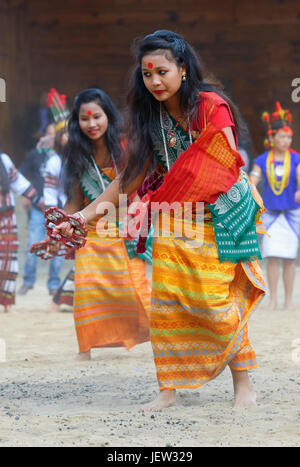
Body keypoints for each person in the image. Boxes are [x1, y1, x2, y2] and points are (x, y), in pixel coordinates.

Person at [54, 31, 265, 408]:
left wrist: (174, 196)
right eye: (147, 74)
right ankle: (168, 389)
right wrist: (81, 217)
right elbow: (130, 177)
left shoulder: (210, 106)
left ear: (183, 69)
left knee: (216, 301)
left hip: (219, 216)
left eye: (162, 71)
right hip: (172, 219)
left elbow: (223, 164)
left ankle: (243, 385)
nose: (154, 81)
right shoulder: (150, 117)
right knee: (167, 304)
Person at [54, 88, 151, 360]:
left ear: (108, 115)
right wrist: (62, 223)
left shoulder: (125, 147)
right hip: (90, 232)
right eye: (85, 119)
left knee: (135, 286)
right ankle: (84, 349)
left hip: (125, 228)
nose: (92, 124)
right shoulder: (76, 154)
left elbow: (139, 190)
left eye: (97, 116)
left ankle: (152, 334)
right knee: (86, 287)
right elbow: (75, 200)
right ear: (77, 122)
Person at [250, 102, 300, 311]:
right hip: (270, 213)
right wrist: (250, 187)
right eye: (282, 136)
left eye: (289, 137)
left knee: (288, 258)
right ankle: (272, 299)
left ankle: (288, 300)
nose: (286, 140)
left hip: (291, 213)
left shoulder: (296, 159)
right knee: (270, 256)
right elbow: (253, 178)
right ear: (271, 138)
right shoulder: (262, 160)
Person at [18, 123, 63, 296]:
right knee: (32, 245)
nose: (52, 138)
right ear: (44, 135)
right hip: (39, 208)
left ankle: (53, 284)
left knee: (57, 248)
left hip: (58, 211)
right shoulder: (36, 154)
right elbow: (19, 173)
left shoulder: (64, 157)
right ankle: (28, 281)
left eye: (55, 134)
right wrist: (27, 195)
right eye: (49, 134)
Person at [0, 147, 40, 312]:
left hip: (5, 214)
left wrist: (38, 199)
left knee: (8, 258)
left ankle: (7, 303)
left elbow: (17, 182)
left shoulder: (3, 158)